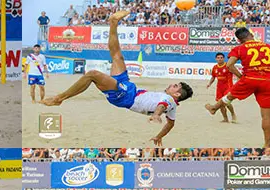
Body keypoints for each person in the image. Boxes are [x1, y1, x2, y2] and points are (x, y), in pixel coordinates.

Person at [40, 11, 193, 146]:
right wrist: (159, 136)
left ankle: (59, 98)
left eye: (175, 86)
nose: (172, 85)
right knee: (117, 56)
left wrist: (156, 115)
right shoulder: (172, 107)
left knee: (92, 74)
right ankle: (113, 22)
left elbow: (161, 105)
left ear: (177, 94)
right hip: (129, 87)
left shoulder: (170, 100)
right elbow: (171, 125)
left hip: (124, 96)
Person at [205, 28, 270, 147]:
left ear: (239, 40)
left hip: (250, 78)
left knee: (230, 96)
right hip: (267, 81)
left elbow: (229, 65)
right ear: (251, 34)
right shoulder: (269, 47)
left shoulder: (239, 48)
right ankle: (267, 144)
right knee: (266, 116)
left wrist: (240, 76)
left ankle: (214, 108)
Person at [207, 52, 236, 123]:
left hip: (228, 87)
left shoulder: (228, 66)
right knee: (220, 105)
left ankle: (233, 114)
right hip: (219, 88)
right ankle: (225, 119)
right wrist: (209, 84)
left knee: (226, 102)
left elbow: (236, 73)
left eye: (221, 58)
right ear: (216, 59)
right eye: (218, 58)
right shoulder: (215, 67)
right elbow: (213, 77)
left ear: (224, 58)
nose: (220, 59)